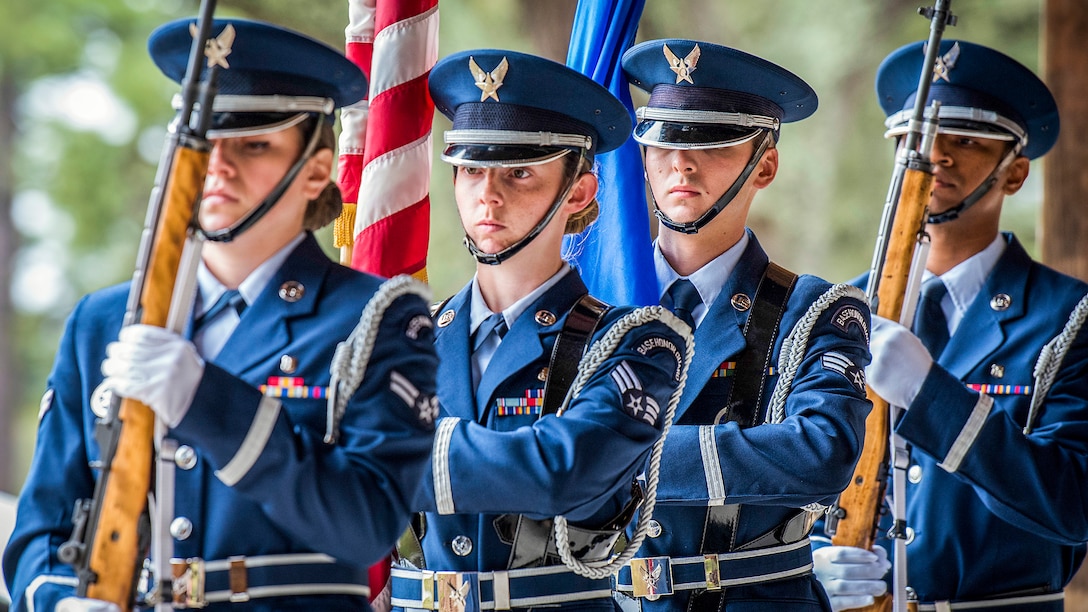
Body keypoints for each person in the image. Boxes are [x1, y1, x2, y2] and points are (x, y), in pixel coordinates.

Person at [3, 17, 439, 612]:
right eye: (204, 142)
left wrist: (205, 402)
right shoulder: (102, 322)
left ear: (316, 170)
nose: (219, 165)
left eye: (254, 144)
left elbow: (366, 523)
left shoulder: (374, 317)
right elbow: (42, 532)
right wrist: (59, 602)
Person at [386, 49, 692, 612]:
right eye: (472, 169)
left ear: (577, 192)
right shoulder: (409, 339)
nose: (488, 194)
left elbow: (562, 470)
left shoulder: (638, 342)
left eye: (519, 172)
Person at [812, 40, 1088, 612]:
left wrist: (930, 395)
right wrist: (806, 565)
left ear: (1014, 174)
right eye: (912, 143)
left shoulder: (1069, 319)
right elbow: (801, 475)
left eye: (964, 140)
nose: (935, 156)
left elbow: (1072, 501)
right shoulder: (836, 312)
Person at [610, 39, 873, 611]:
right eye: (662, 144)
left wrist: (611, 454)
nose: (680, 162)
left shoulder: (814, 311)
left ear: (766, 165)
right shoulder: (592, 305)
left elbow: (821, 452)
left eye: (710, 143)